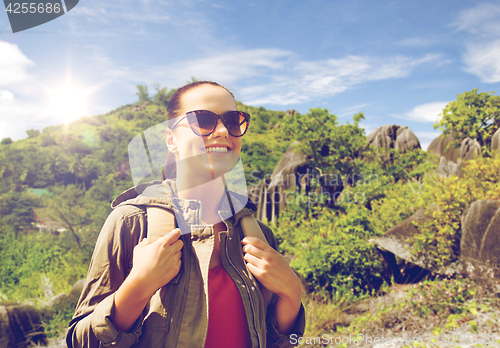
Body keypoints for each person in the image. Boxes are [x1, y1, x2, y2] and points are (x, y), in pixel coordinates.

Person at [66, 81, 305, 348]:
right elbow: (80, 341)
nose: (223, 131)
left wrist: (292, 294)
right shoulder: (132, 222)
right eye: (202, 120)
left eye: (233, 121)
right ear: (171, 139)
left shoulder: (258, 234)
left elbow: (278, 341)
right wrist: (139, 286)